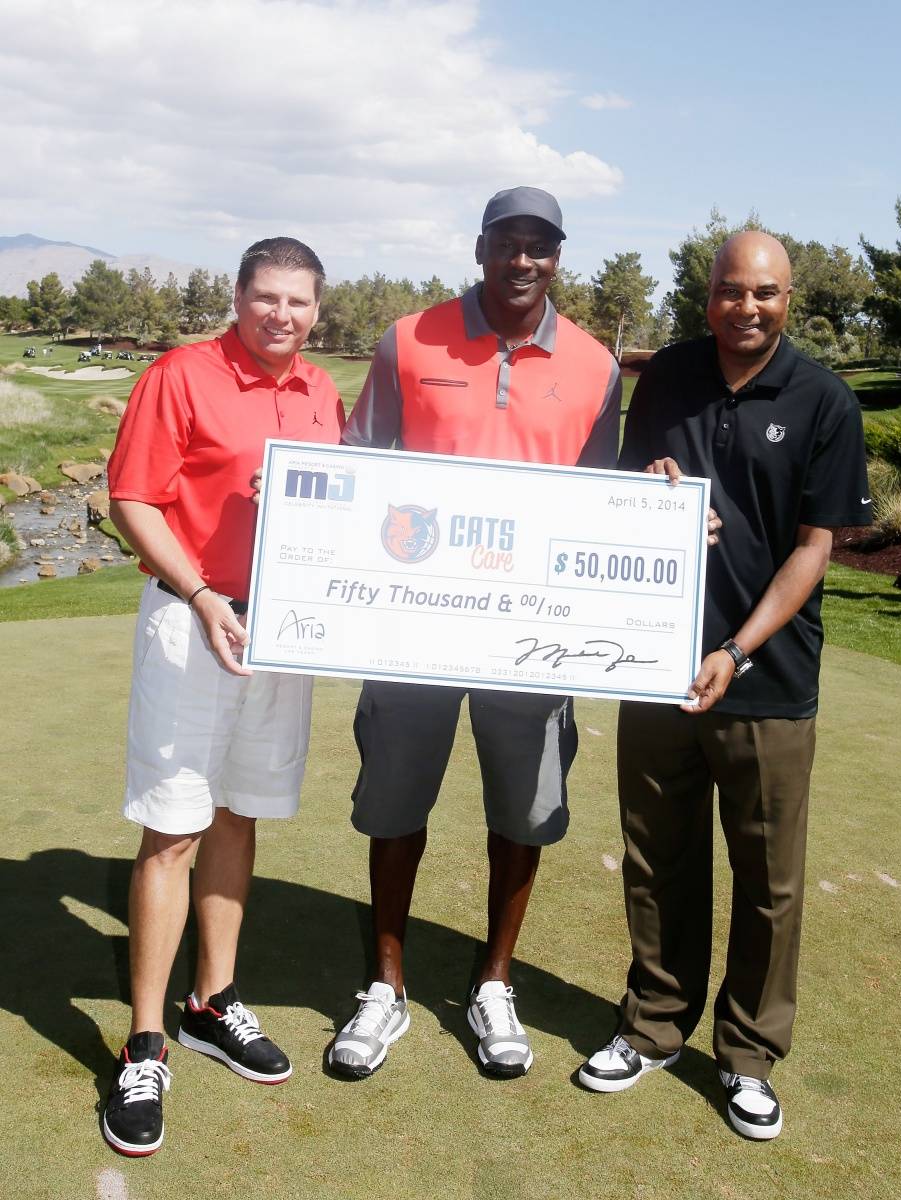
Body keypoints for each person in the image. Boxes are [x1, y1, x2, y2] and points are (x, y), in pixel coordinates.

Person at [578, 232, 873, 1139]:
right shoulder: (665, 376)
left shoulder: (822, 398)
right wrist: (651, 488)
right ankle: (656, 1025)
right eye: (731, 292)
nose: (748, 308)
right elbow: (623, 490)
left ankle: (747, 1056)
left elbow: (814, 548)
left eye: (767, 294)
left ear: (792, 299)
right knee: (657, 858)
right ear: (705, 296)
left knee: (768, 882)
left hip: (766, 678)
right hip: (653, 660)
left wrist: (737, 651)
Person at [327, 187, 621, 1080]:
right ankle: (387, 984)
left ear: (558, 256)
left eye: (542, 245)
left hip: (530, 637)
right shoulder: (408, 340)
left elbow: (602, 505)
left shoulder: (596, 363)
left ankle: (495, 981)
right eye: (508, 242)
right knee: (394, 806)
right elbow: (358, 464)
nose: (523, 259)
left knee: (522, 812)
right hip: (414, 631)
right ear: (482, 246)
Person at [102, 237, 345, 1156]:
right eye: (267, 297)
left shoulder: (321, 392)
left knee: (240, 815)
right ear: (240, 297)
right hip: (193, 619)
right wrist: (202, 596)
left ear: (317, 309)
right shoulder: (182, 375)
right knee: (174, 831)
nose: (282, 315)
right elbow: (133, 498)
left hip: (283, 632)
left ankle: (214, 1001)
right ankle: (146, 1041)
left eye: (299, 302)